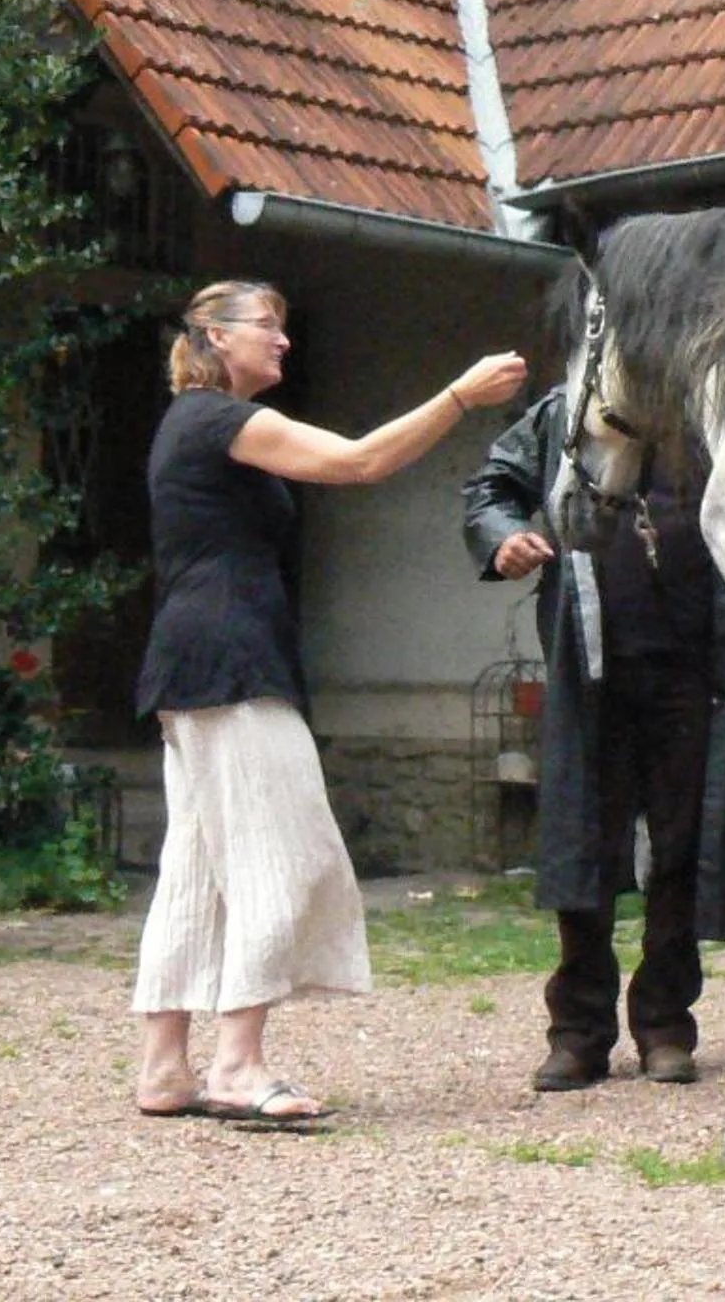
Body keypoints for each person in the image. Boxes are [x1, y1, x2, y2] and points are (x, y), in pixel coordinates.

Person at [133, 278, 528, 1128]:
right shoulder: (215, 418)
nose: (282, 340)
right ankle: (237, 1066)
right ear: (212, 336)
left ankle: (167, 1069)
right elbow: (360, 462)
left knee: (198, 872)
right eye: (267, 326)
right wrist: (460, 396)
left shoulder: (196, 426)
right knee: (288, 853)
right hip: (231, 664)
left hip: (196, 662)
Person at [461, 387, 725, 1091]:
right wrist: (502, 534)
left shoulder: (718, 405)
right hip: (591, 663)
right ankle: (579, 1031)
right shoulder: (568, 410)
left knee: (683, 847)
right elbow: (491, 486)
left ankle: (664, 1024)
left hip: (700, 665)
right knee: (582, 843)